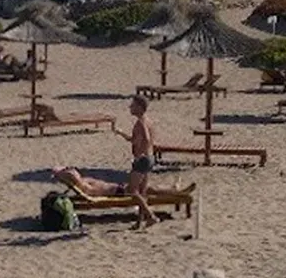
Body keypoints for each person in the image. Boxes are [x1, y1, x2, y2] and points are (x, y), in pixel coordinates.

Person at [111, 95, 159, 229]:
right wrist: (120, 133)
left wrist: (140, 155)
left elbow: (147, 139)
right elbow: (135, 139)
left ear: (139, 107)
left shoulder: (141, 122)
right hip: (149, 158)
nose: (130, 107)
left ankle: (151, 216)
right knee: (142, 192)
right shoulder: (147, 121)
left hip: (143, 160)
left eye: (133, 105)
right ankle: (139, 222)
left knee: (132, 190)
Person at [51, 167, 191, 199]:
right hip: (120, 191)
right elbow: (70, 176)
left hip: (119, 188)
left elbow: (67, 173)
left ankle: (173, 189)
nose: (74, 170)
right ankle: (178, 192)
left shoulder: (84, 182)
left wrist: (60, 173)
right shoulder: (86, 187)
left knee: (149, 188)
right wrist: (63, 174)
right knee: (149, 189)